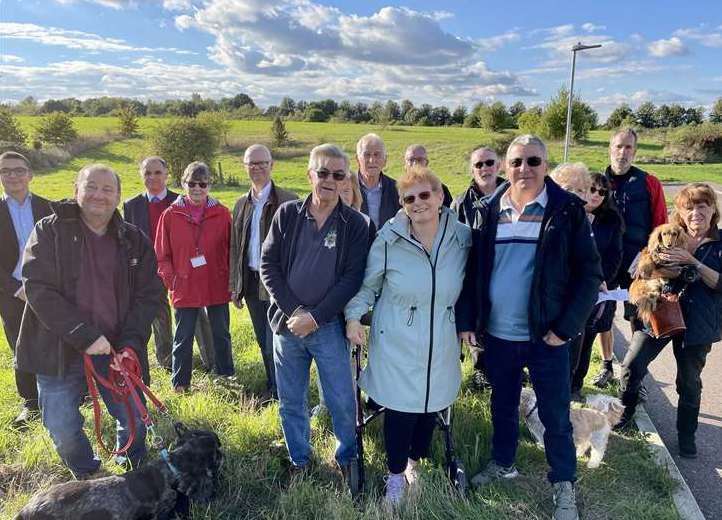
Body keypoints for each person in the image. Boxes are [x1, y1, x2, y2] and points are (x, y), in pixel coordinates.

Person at [457, 135, 602, 520]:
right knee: (502, 405)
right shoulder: (489, 210)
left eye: (533, 161)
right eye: (517, 161)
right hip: (498, 336)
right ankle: (503, 462)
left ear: (546, 164)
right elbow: (474, 271)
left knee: (555, 415)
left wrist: (566, 328)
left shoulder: (566, 210)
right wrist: (469, 321)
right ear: (506, 166)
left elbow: (589, 276)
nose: (525, 169)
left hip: (546, 337)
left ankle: (563, 485)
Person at [16, 164, 162, 478]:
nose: (99, 195)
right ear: (76, 190)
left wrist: (130, 342)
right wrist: (84, 335)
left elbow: (150, 295)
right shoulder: (49, 231)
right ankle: (88, 473)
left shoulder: (134, 239)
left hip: (116, 349)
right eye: (91, 186)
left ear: (118, 196)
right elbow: (37, 287)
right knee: (62, 426)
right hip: (58, 347)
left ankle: (131, 471)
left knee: (134, 416)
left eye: (108, 189)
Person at [345, 165, 471, 505]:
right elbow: (368, 287)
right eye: (408, 198)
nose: (417, 203)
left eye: (424, 195)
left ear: (440, 196)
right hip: (396, 339)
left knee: (430, 405)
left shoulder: (461, 237)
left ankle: (414, 462)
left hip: (441, 338)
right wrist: (354, 317)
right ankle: (396, 477)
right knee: (401, 410)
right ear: (401, 204)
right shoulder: (389, 237)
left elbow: (474, 285)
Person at [260, 143, 369, 488]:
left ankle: (346, 458)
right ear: (310, 174)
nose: (329, 180)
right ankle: (299, 459)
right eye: (322, 172)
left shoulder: (355, 224)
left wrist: (317, 317)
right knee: (291, 400)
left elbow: (352, 278)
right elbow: (268, 265)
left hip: (329, 328)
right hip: (287, 326)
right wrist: (296, 312)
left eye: (338, 175)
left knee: (340, 400)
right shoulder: (288, 214)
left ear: (346, 180)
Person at [616, 183, 722, 459]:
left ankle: (687, 436)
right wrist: (661, 269)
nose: (696, 212)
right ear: (680, 213)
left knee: (688, 382)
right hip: (660, 314)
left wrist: (693, 263)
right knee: (631, 366)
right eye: (689, 207)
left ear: (713, 210)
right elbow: (642, 269)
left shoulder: (719, 244)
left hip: (698, 324)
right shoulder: (667, 236)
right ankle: (624, 414)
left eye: (702, 206)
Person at [123, 156, 214, 371]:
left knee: (197, 315)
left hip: (183, 270)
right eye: (147, 173)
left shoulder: (181, 201)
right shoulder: (131, 205)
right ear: (141, 176)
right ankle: (167, 361)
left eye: (157, 172)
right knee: (158, 317)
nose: (152, 177)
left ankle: (212, 360)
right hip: (149, 272)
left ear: (167, 175)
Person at [155, 162, 235, 392]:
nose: (197, 188)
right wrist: (172, 281)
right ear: (183, 184)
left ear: (210, 185)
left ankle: (227, 378)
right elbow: (162, 255)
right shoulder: (170, 215)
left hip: (216, 282)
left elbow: (232, 250)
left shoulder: (221, 213)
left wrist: (230, 280)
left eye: (202, 184)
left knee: (221, 334)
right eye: (192, 183)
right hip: (185, 283)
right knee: (183, 336)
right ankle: (180, 384)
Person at [229, 145, 297, 400]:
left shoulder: (289, 200)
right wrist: (235, 286)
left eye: (261, 163)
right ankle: (274, 386)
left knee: (276, 341)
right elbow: (235, 247)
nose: (256, 168)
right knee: (261, 340)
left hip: (278, 285)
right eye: (251, 163)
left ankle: (284, 392)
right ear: (245, 166)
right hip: (251, 282)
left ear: (272, 165)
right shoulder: (240, 204)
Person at [0, 151, 52, 428]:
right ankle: (30, 403)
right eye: (6, 171)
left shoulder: (48, 207)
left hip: (48, 291)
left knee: (58, 341)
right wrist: (14, 288)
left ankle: (71, 394)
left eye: (18, 170)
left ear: (30, 175)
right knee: (21, 347)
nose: (13, 175)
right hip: (11, 294)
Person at [451, 146, 506, 391]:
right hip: (473, 275)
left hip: (506, 273)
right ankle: (481, 371)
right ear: (472, 170)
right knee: (477, 325)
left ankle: (506, 370)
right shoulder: (461, 202)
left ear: (499, 165)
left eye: (489, 162)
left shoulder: (513, 195)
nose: (484, 168)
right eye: (478, 165)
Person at [606, 128, 667, 331]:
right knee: (598, 317)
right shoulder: (596, 183)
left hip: (636, 264)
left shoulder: (649, 182)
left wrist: (652, 260)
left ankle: (635, 363)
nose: (623, 152)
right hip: (604, 261)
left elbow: (661, 227)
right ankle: (605, 361)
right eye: (619, 146)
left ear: (634, 152)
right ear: (610, 149)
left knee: (638, 319)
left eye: (628, 147)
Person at [584, 173, 624, 389]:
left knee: (589, 336)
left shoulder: (612, 219)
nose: (597, 195)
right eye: (592, 189)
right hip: (569, 288)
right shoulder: (570, 212)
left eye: (602, 192)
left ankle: (575, 386)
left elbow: (615, 256)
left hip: (600, 287)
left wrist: (601, 279)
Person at [357, 133, 400, 229]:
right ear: (357, 159)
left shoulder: (397, 189)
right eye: (367, 155)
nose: (372, 160)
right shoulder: (346, 187)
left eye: (377, 155)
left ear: (385, 160)